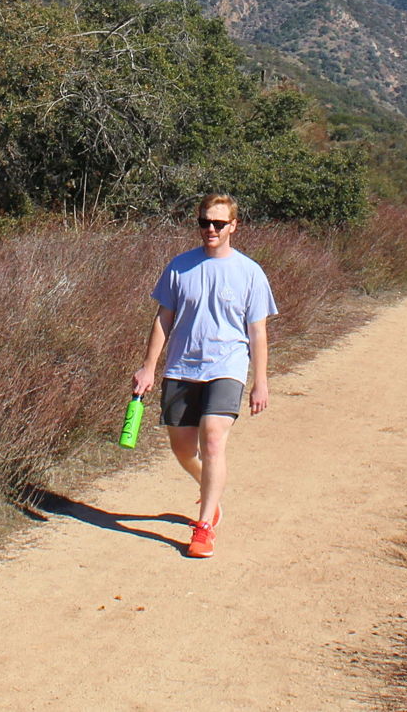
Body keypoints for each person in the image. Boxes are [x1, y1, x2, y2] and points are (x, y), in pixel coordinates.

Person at [131, 193, 277, 558]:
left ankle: (204, 526)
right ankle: (208, 484)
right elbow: (163, 319)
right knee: (183, 449)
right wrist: (148, 366)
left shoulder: (250, 272)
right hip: (182, 367)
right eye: (204, 222)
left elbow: (257, 332)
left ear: (233, 226)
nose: (210, 229)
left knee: (212, 438)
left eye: (218, 223)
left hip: (227, 366)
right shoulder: (179, 267)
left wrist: (260, 382)